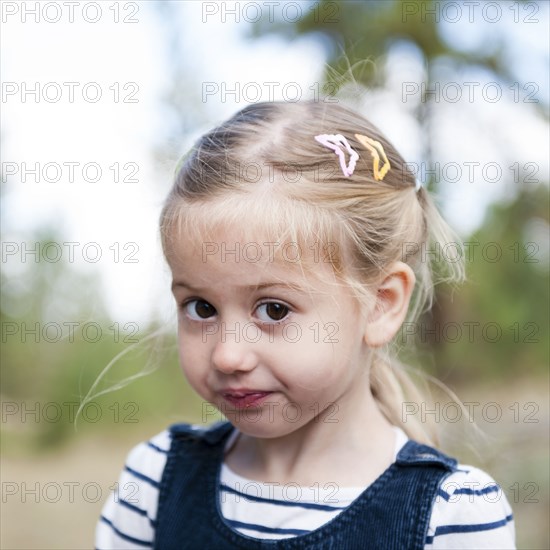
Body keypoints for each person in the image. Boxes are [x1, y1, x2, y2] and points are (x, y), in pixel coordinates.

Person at [95, 100, 515, 549]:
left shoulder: (452, 514)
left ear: (380, 304)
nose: (227, 355)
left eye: (274, 310)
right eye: (200, 307)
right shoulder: (156, 481)